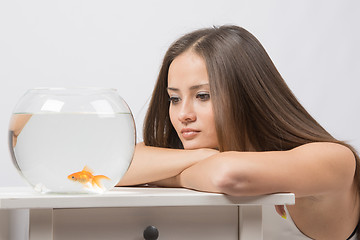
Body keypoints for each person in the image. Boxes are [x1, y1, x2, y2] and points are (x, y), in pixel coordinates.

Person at [117, 25, 359, 240]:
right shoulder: (198, 159)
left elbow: (228, 175)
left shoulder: (336, 158)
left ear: (247, 96)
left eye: (203, 96)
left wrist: (169, 173)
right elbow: (113, 165)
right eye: (175, 98)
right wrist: (205, 157)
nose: (183, 114)